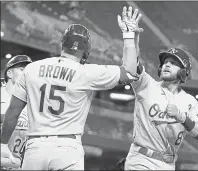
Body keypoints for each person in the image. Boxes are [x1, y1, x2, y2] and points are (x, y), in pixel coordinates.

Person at [1, 6, 142, 170]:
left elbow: (13, 112)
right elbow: (131, 72)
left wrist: (3, 143)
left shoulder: (32, 68)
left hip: (35, 147)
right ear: (86, 49)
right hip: (67, 148)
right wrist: (129, 35)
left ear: (62, 44)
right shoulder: (87, 72)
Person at [121, 29, 198, 170]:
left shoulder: (189, 101)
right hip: (141, 159)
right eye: (165, 62)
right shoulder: (146, 85)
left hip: (168, 164)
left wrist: (182, 117)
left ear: (183, 72)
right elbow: (132, 64)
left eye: (173, 63)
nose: (167, 65)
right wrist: (132, 36)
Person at [1, 55, 32, 170]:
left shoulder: (32, 104)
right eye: (22, 69)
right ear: (9, 73)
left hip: (16, 165)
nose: (26, 74)